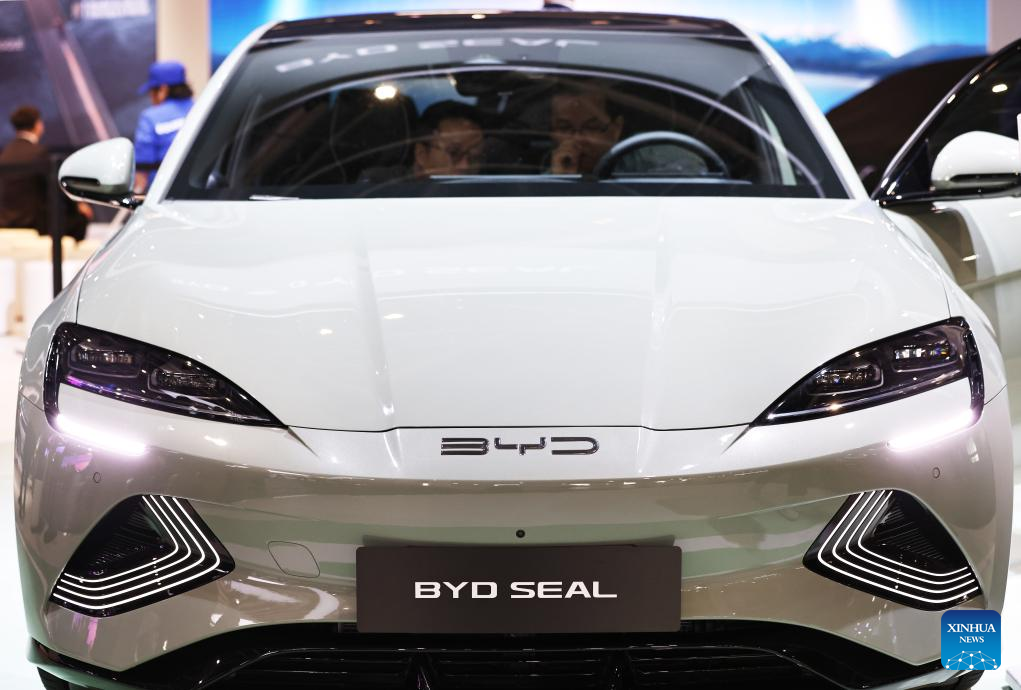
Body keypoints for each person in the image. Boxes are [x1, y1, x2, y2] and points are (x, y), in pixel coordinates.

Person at [0, 106, 91, 240]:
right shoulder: (39, 153)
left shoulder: (4, 154)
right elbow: (56, 189)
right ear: (38, 125)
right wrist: (77, 206)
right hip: (35, 222)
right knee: (80, 218)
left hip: (4, 220)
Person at [134, 61, 194, 191]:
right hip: (199, 191)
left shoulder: (150, 118)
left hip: (162, 193)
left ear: (163, 89)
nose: (151, 96)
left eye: (151, 91)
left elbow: (142, 170)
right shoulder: (200, 109)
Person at [549, 82, 623, 175]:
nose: (578, 138)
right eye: (565, 128)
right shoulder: (538, 180)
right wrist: (563, 178)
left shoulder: (639, 170)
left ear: (616, 129)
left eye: (591, 127)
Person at [412, 100, 485, 177]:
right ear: (421, 154)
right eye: (454, 153)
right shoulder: (402, 183)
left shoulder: (488, 183)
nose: (465, 166)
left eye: (475, 157)